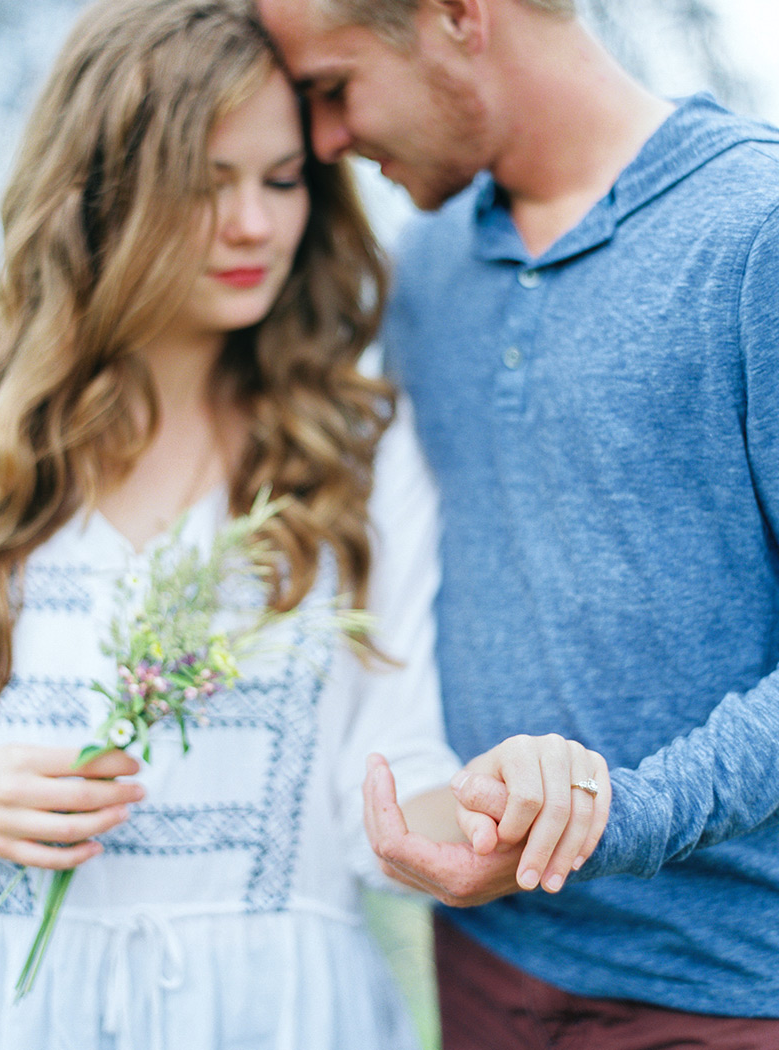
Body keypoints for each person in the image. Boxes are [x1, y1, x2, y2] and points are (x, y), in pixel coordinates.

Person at [0, 1, 612, 1047]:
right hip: (13, 1011)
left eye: (281, 181)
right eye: (205, 185)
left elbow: (392, 777)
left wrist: (508, 804)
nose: (254, 226)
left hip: (281, 1012)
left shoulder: (359, 459)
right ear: (98, 195)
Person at [255, 0, 779, 1046]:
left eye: (333, 88)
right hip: (486, 964)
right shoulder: (427, 265)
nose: (324, 139)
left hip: (721, 991)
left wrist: (618, 815)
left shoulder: (752, 230)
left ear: (457, 16)